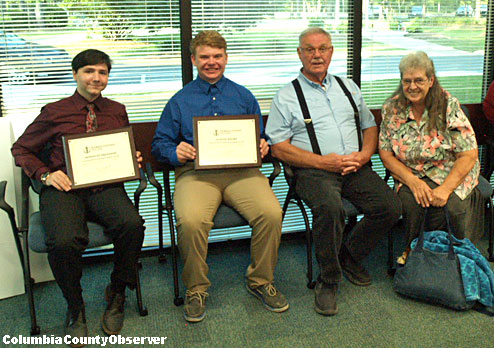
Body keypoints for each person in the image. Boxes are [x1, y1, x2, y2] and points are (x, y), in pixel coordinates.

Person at [151, 30, 288, 323]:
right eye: (204, 57)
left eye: (217, 56)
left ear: (226, 58)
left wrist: (263, 144)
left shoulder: (243, 95)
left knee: (271, 213)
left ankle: (261, 281)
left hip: (242, 172)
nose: (211, 62)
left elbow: (259, 136)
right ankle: (196, 288)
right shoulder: (179, 101)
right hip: (197, 174)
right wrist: (177, 151)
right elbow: (159, 144)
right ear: (193, 60)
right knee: (190, 220)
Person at [11, 49, 145, 345]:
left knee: (132, 225)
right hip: (64, 188)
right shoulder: (54, 111)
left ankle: (118, 291)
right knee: (62, 240)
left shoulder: (116, 109)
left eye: (103, 72)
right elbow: (21, 149)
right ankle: (75, 306)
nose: (96, 78)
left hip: (103, 187)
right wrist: (46, 175)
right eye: (89, 71)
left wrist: (130, 158)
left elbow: (120, 147)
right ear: (75, 74)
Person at [266, 27, 401, 316]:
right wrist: (321, 162)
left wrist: (365, 155)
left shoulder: (348, 86)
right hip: (312, 171)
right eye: (310, 49)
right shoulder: (287, 95)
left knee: (390, 206)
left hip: (354, 166)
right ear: (300, 54)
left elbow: (369, 126)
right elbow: (278, 147)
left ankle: (348, 256)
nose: (317, 55)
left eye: (323, 48)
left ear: (331, 52)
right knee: (330, 207)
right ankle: (329, 280)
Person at [379, 51, 483, 262]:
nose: (412, 86)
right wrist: (412, 181)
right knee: (410, 203)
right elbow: (386, 153)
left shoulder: (447, 104)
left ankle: (458, 260)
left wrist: (445, 189)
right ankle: (415, 258)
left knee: (453, 206)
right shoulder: (392, 108)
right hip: (412, 173)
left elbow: (469, 154)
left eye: (419, 80)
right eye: (407, 81)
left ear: (431, 80)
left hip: (451, 170)